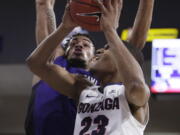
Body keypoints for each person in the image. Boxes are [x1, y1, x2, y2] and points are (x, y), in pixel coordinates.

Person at [25, 0, 154, 134]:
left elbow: (136, 86)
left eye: (106, 48)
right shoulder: (82, 87)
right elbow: (35, 64)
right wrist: (65, 27)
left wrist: (110, 30)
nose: (99, 51)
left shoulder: (129, 94)